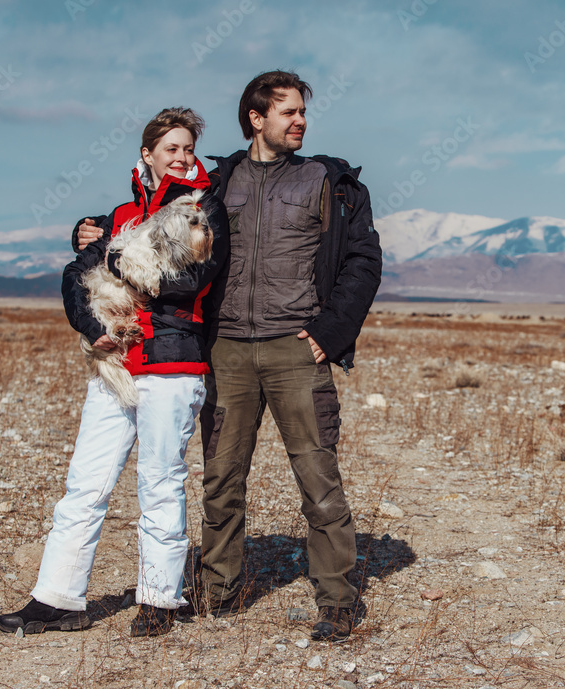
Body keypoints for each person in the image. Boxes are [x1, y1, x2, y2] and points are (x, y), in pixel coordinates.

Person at [76, 71, 382, 642]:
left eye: (302, 113)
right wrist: (90, 226)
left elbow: (363, 262)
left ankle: (337, 600)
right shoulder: (217, 181)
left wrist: (329, 334)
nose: (300, 122)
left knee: (318, 478)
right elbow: (154, 209)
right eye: (288, 112)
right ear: (256, 118)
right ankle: (218, 589)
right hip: (227, 352)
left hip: (297, 349)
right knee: (221, 477)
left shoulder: (328, 182)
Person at [0, 107, 228, 638]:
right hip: (115, 362)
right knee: (86, 482)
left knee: (160, 482)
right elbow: (77, 273)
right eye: (171, 148)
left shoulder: (205, 210)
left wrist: (121, 264)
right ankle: (58, 598)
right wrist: (90, 326)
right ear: (147, 154)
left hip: (171, 363)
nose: (182, 156)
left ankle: (160, 599)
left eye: (188, 148)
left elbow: (195, 277)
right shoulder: (122, 214)